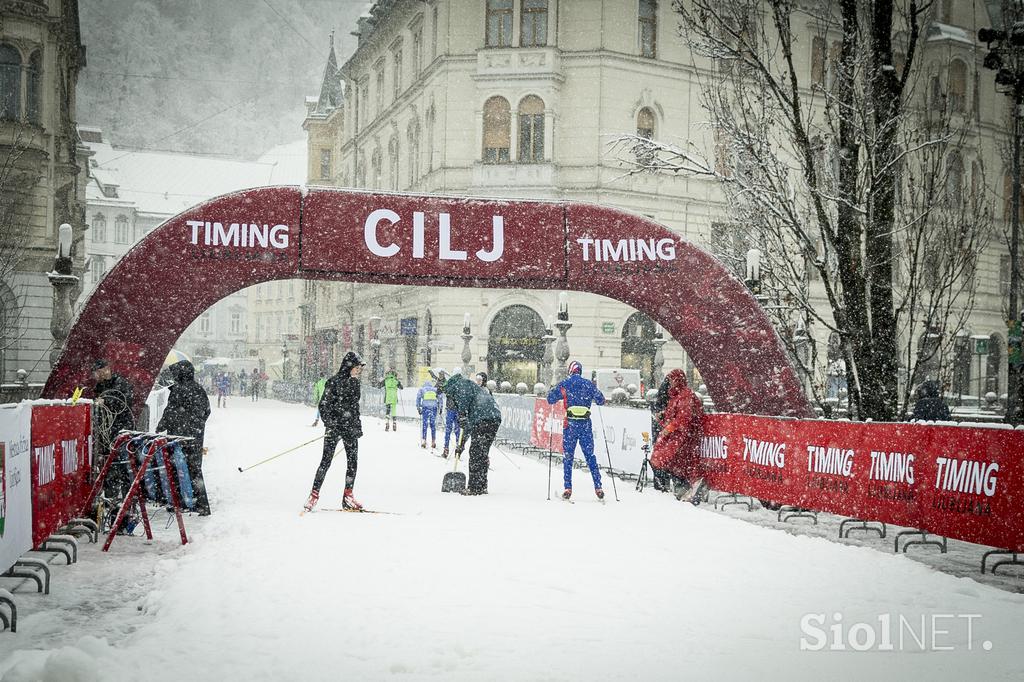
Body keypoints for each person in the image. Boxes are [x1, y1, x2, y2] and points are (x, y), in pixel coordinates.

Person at [304, 352, 366, 512]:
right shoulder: (333, 382)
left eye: (359, 368)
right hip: (335, 428)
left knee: (353, 463)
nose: (358, 371)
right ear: (349, 367)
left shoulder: (355, 384)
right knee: (325, 461)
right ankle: (314, 495)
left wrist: (356, 427)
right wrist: (331, 423)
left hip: (350, 429)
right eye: (357, 368)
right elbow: (323, 406)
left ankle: (348, 496)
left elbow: (354, 408)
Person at [157, 360, 212, 515]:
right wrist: (197, 426)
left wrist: (161, 428)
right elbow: (207, 411)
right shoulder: (199, 389)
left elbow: (170, 413)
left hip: (178, 437)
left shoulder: (178, 390)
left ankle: (179, 502)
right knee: (194, 469)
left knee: (176, 469)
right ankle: (201, 504)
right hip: (195, 436)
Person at [547, 360, 607, 501]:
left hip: (570, 425)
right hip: (585, 424)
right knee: (590, 456)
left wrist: (552, 390)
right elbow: (601, 400)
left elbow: (550, 399)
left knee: (568, 457)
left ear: (570, 370)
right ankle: (598, 486)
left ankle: (568, 488)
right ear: (580, 371)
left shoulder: (565, 384)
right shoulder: (588, 384)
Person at [440, 370, 502, 495]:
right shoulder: (468, 385)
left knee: (475, 453)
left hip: (483, 418)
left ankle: (474, 488)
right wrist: (461, 445)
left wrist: (462, 414)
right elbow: (468, 427)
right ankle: (482, 485)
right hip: (493, 417)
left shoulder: (460, 386)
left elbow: (465, 408)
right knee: (482, 453)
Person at [651, 369, 707, 503]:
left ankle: (680, 488)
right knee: (664, 460)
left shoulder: (684, 396)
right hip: (676, 435)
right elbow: (675, 416)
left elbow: (683, 418)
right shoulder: (676, 396)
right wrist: (663, 417)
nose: (669, 383)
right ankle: (677, 488)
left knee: (665, 459)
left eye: (671, 380)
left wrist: (668, 428)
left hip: (683, 436)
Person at [92, 359, 136, 498]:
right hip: (107, 431)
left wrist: (106, 402)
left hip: (121, 429)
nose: (96, 376)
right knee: (109, 466)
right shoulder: (99, 386)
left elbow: (124, 402)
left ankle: (127, 499)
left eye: (98, 372)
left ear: (106, 370)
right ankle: (111, 497)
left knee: (123, 465)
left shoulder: (121, 383)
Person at [648, 375, 674, 493]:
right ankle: (663, 482)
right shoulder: (671, 397)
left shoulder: (660, 397)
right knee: (665, 459)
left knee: (659, 457)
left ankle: (660, 482)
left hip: (660, 432)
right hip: (665, 432)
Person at [439, 368, 462, 458]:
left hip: (450, 408)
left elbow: (443, 390)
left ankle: (446, 449)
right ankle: (458, 449)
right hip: (459, 409)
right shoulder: (462, 383)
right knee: (458, 430)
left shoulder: (450, 382)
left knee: (448, 430)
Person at [416, 377, 439, 449]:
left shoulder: (422, 389)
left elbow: (418, 398)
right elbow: (440, 398)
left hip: (425, 407)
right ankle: (433, 441)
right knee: (433, 424)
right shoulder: (435, 390)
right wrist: (440, 407)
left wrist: (418, 407)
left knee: (425, 424)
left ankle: (424, 440)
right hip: (434, 408)